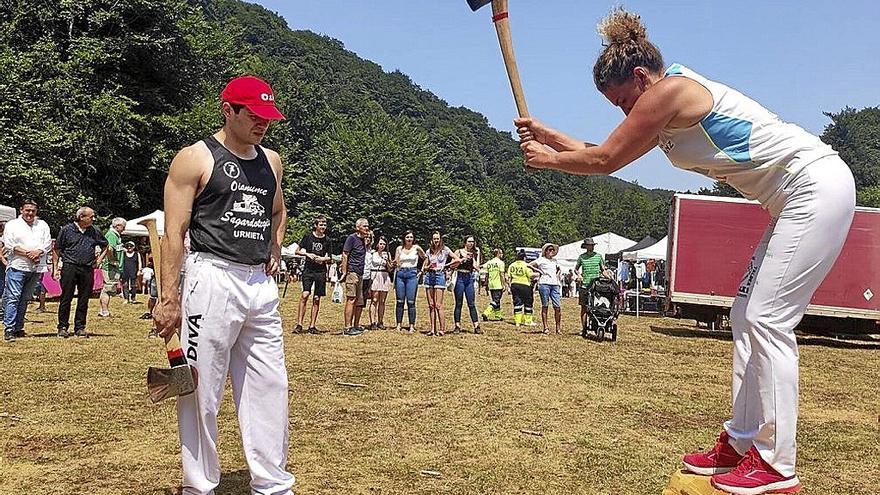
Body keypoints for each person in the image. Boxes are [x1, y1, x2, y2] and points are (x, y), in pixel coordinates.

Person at [516, 8, 855, 494]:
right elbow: (603, 149)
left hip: (814, 186)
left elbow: (605, 159)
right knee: (745, 315)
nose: (624, 113)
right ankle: (740, 441)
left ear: (641, 77)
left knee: (766, 319)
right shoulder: (661, 104)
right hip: (791, 199)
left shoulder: (669, 92)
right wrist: (548, 137)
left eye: (623, 101)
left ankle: (778, 466)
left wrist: (550, 162)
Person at [152, 75, 294, 494]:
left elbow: (278, 210)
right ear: (228, 110)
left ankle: (272, 484)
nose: (263, 123)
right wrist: (168, 298)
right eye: (254, 115)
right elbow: (173, 233)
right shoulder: (195, 158)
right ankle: (199, 485)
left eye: (268, 116)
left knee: (271, 386)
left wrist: (275, 245)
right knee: (200, 389)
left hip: (259, 285)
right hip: (212, 278)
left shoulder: (271, 161)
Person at [52, 207, 108, 338]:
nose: (94, 219)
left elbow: (106, 245)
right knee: (66, 297)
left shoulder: (94, 231)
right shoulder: (66, 230)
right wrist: (55, 268)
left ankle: (80, 327)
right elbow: (57, 249)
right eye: (91, 216)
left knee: (84, 298)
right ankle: (62, 327)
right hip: (70, 266)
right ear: (81, 217)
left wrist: (99, 260)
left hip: (87, 268)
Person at [2, 200, 51, 342]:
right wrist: (29, 254)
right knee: (13, 297)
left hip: (36, 267)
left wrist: (38, 252)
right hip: (17, 266)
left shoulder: (42, 225)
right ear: (21, 210)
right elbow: (10, 245)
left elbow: (47, 243)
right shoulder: (12, 225)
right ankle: (9, 328)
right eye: (27, 210)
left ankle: (18, 327)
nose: (30, 213)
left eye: (33, 211)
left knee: (25, 298)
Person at [294, 215, 332, 334]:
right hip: (308, 270)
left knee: (316, 298)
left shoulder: (327, 240)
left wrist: (322, 259)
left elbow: (329, 257)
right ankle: (299, 324)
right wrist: (307, 254)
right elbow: (297, 251)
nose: (323, 227)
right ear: (316, 225)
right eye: (321, 224)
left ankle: (312, 326)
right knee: (305, 295)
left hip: (320, 271)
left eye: (325, 224)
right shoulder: (308, 237)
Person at [422, 231, 459, 337]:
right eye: (434, 239)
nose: (436, 240)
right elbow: (424, 267)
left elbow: (457, 259)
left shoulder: (445, 250)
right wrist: (427, 267)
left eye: (437, 238)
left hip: (439, 276)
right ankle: (432, 329)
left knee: (438, 305)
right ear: (432, 240)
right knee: (431, 305)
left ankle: (442, 329)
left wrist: (446, 266)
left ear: (440, 239)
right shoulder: (428, 251)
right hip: (429, 276)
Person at [340, 218, 370, 336]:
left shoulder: (364, 240)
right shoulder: (351, 238)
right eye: (365, 226)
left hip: (361, 273)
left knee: (359, 300)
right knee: (351, 299)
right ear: (358, 227)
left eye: (367, 226)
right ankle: (347, 327)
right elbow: (345, 254)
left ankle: (356, 325)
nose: (367, 228)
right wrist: (344, 271)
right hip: (352, 272)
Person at [393, 230, 425, 333]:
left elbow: (425, 258)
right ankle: (399, 324)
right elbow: (396, 262)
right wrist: (394, 263)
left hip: (412, 274)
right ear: (404, 238)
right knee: (400, 301)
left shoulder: (416, 248)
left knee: (411, 301)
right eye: (407, 237)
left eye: (411, 237)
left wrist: (421, 271)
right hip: (400, 274)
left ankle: (412, 325)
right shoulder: (399, 248)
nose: (409, 239)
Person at [575, 237, 609, 330]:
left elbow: (603, 270)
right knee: (584, 307)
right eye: (590, 245)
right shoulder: (581, 257)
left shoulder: (598, 256)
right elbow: (576, 269)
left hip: (596, 286)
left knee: (597, 307)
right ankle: (584, 328)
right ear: (586, 246)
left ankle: (597, 324)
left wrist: (609, 277)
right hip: (584, 285)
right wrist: (579, 275)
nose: (592, 247)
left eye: (592, 245)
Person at [529, 243, 562, 335]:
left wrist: (557, 275)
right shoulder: (541, 260)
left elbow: (559, 269)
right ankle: (545, 327)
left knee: (557, 307)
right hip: (544, 284)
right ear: (546, 251)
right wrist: (539, 271)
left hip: (555, 284)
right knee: (545, 306)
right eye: (550, 250)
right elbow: (529, 265)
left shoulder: (555, 261)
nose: (551, 251)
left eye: (553, 250)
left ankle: (558, 328)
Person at [452, 235, 482, 334]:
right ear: (465, 242)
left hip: (469, 278)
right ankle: (457, 325)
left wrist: (477, 255)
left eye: (472, 241)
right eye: (469, 241)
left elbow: (477, 267)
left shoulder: (474, 254)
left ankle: (476, 326)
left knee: (471, 303)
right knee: (458, 303)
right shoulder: (458, 252)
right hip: (460, 277)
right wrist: (461, 260)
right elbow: (452, 265)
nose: (471, 243)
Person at [98, 216, 126, 317]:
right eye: (123, 226)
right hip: (110, 267)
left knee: (108, 288)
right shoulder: (112, 235)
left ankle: (103, 310)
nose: (124, 229)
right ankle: (104, 311)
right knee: (108, 289)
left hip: (114, 268)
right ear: (117, 226)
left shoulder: (116, 235)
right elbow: (109, 248)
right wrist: (112, 260)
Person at [368, 236, 393, 329]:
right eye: (381, 243)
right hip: (375, 275)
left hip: (384, 276)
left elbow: (390, 269)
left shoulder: (387, 254)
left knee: (382, 301)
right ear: (377, 244)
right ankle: (372, 322)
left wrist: (387, 261)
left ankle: (380, 321)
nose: (382, 246)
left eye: (384, 244)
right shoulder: (372, 253)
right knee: (374, 300)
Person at [506, 249, 535, 329]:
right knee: (528, 303)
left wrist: (509, 286)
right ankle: (528, 321)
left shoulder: (512, 265)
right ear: (524, 258)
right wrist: (538, 274)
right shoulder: (526, 265)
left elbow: (508, 277)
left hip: (514, 285)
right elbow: (530, 275)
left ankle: (517, 321)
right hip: (525, 285)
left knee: (517, 302)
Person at [481, 248, 505, 321]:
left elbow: (487, 274)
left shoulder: (489, 262)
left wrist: (486, 283)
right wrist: (504, 284)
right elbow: (501, 274)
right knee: (496, 300)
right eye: (501, 253)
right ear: (498, 254)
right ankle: (486, 313)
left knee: (495, 300)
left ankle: (498, 316)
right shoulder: (500, 263)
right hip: (498, 284)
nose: (502, 254)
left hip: (491, 284)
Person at [361, 231, 375, 328]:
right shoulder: (358, 248)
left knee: (363, 301)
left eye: (369, 237)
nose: (367, 239)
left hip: (367, 277)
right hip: (358, 276)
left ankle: (357, 323)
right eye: (366, 237)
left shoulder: (371, 252)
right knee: (356, 300)